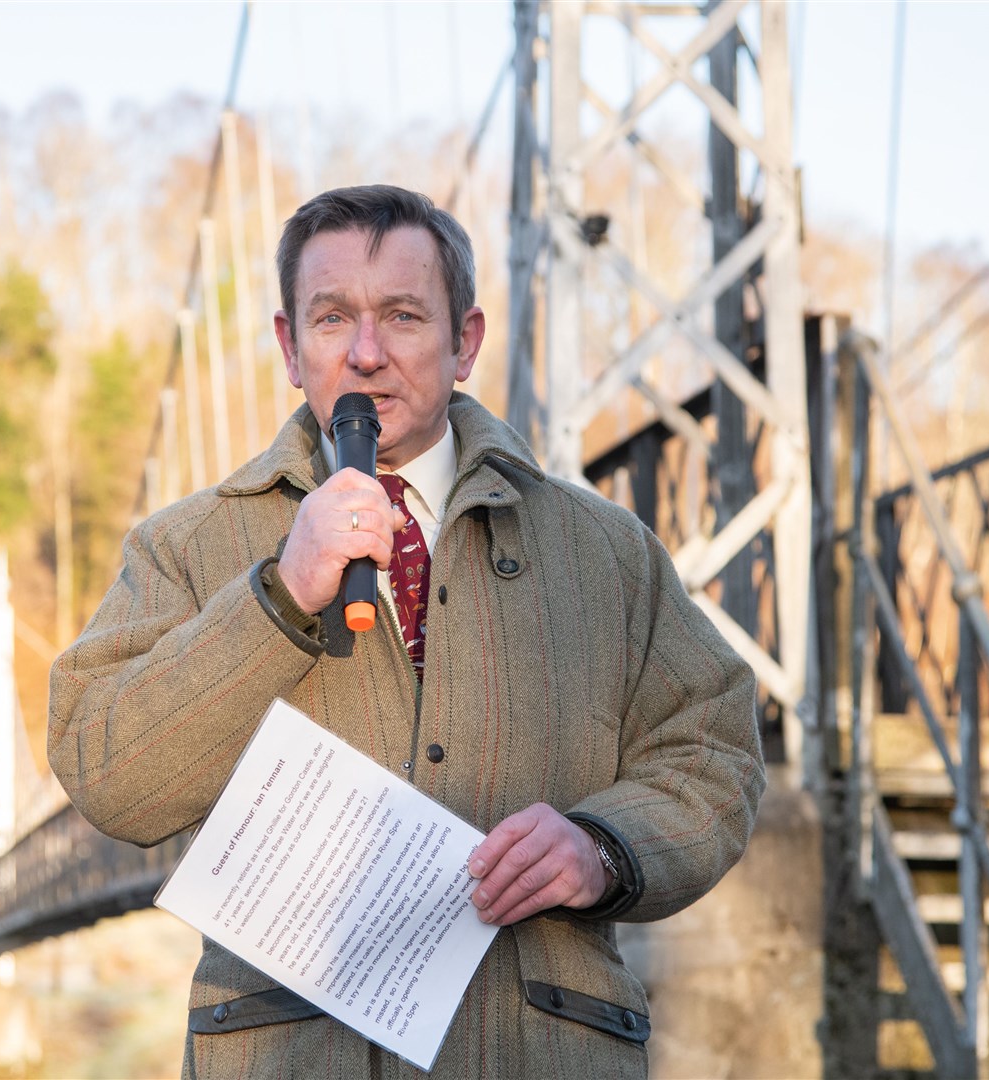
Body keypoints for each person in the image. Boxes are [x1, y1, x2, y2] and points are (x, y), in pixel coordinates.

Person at [49, 185, 763, 1079]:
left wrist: (604, 847)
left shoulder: (605, 551)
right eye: (332, 318)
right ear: (289, 346)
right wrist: (276, 596)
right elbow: (106, 772)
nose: (366, 354)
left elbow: (716, 751)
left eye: (403, 316)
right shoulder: (187, 547)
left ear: (465, 342)